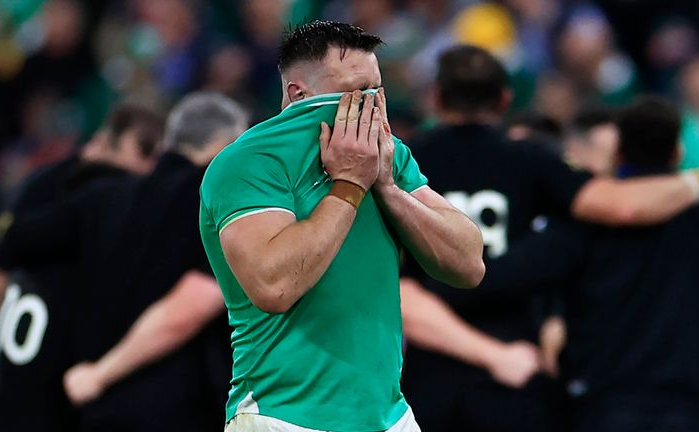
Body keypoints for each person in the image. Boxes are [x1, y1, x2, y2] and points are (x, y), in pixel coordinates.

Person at [399, 45, 699, 432]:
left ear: (435, 96)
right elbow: (623, 206)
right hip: (517, 377)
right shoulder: (532, 162)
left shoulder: (404, 164)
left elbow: (403, 292)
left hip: (427, 379)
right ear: (505, 99)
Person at [199, 21, 485, 432]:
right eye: (355, 92)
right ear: (298, 93)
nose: (370, 106)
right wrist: (349, 185)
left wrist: (386, 186)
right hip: (283, 416)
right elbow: (273, 286)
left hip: (388, 416)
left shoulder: (386, 153)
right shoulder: (248, 162)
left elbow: (469, 264)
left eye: (377, 91)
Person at [0, 92, 247, 432]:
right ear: (224, 145)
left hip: (95, 411)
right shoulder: (212, 197)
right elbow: (194, 302)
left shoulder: (102, 198)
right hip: (176, 408)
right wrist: (102, 374)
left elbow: (13, 240)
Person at [483, 97, 699, 431]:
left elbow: (508, 274)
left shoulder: (586, 222)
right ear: (678, 152)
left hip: (603, 404)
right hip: (692, 405)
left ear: (618, 153)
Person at [0, 103, 164, 432]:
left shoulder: (41, 185)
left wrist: (4, 357)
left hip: (21, 388)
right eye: (150, 154)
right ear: (123, 143)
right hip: (71, 390)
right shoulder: (116, 195)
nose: (154, 170)